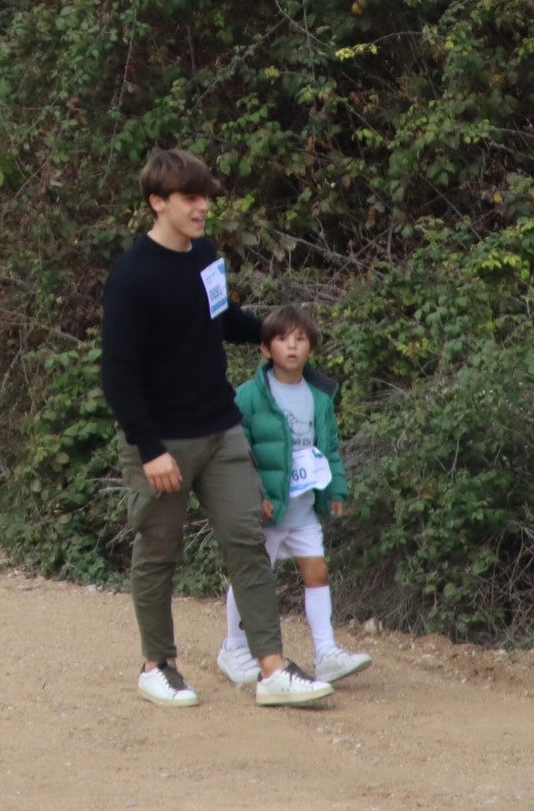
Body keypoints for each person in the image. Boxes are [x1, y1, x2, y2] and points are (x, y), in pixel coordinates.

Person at [99, 148, 333, 709]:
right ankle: (157, 665)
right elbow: (118, 375)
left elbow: (219, 316)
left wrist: (271, 337)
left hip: (221, 428)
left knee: (249, 545)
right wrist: (150, 449)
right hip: (162, 443)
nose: (203, 207)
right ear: (158, 203)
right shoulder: (131, 277)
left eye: (206, 196)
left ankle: (272, 669)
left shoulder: (204, 254)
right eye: (190, 198)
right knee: (159, 553)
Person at [222, 304, 370, 687]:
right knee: (252, 575)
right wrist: (254, 496)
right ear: (265, 349)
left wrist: (336, 487)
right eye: (282, 339)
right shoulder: (249, 397)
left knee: (317, 570)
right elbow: (239, 450)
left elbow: (330, 447)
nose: (292, 346)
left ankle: (326, 653)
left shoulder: (320, 397)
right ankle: (235, 647)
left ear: (311, 349)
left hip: (304, 507)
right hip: (268, 508)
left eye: (300, 339)